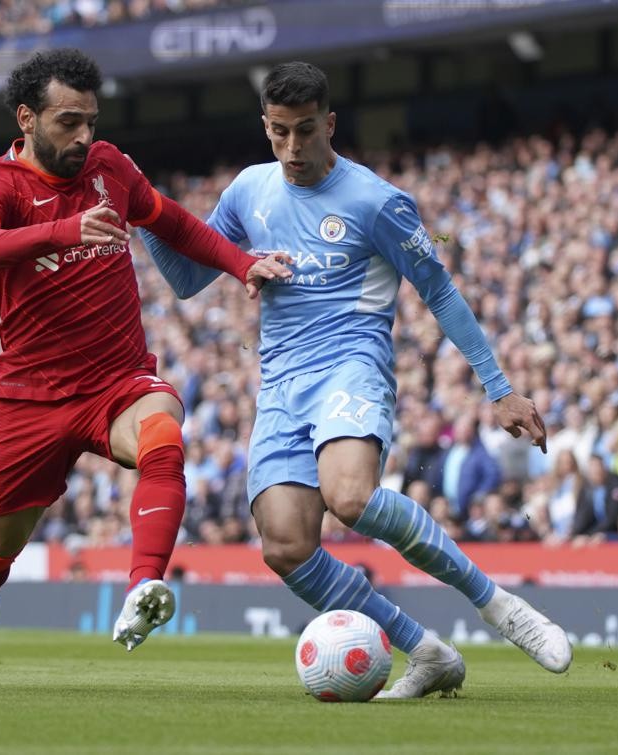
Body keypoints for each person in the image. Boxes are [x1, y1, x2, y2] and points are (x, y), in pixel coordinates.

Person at [141, 61, 572, 698]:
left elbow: (440, 292)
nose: (292, 148)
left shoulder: (376, 201)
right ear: (265, 127)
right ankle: (426, 653)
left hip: (351, 364)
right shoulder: (248, 192)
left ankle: (500, 607)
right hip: (281, 384)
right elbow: (185, 281)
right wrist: (142, 211)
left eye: (306, 131)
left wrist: (498, 387)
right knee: (285, 546)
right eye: (279, 132)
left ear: (330, 124)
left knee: (351, 498)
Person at [0, 49, 291, 688]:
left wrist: (242, 264)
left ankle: (143, 585)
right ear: (27, 117)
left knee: (164, 436)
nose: (84, 136)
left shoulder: (109, 167)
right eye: (68, 122)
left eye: (91, 121)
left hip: (116, 381)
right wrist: (63, 230)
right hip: (31, 398)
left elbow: (172, 221)